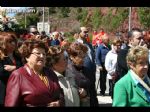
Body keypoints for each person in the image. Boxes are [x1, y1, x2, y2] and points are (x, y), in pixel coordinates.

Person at [5, 40, 64, 107]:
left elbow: (60, 94)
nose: (42, 56)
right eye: (38, 53)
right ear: (27, 57)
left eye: (44, 54)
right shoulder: (18, 75)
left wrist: (59, 103)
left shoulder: (50, 72)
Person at [0, 32, 23, 106]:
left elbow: (26, 68)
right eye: (10, 42)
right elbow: (2, 73)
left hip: (19, 90)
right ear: (3, 43)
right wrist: (19, 69)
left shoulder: (18, 56)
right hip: (4, 91)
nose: (13, 43)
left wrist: (15, 68)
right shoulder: (1, 57)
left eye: (14, 41)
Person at [66, 42, 91, 106]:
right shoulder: (66, 71)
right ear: (72, 57)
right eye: (80, 57)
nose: (83, 60)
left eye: (84, 57)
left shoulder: (87, 70)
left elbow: (92, 91)